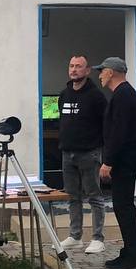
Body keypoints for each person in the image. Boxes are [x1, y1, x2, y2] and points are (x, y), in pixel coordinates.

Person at [95, 56, 136, 269]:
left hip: (125, 158)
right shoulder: (122, 94)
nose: (99, 75)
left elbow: (120, 133)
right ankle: (129, 251)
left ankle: (135, 257)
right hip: (124, 157)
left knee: (124, 206)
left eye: (102, 71)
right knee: (121, 205)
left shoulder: (124, 95)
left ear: (112, 72)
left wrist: (108, 161)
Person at [57, 54, 108, 253]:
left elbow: (105, 125)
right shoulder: (64, 94)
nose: (74, 69)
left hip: (89, 153)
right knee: (72, 196)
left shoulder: (96, 96)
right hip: (67, 154)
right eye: (71, 66)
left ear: (87, 71)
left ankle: (98, 238)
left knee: (94, 196)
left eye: (79, 66)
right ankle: (75, 235)